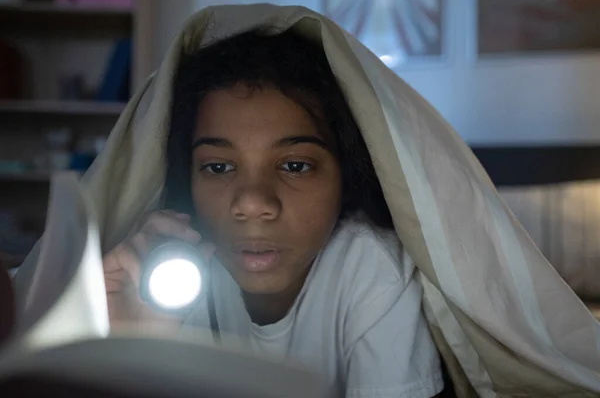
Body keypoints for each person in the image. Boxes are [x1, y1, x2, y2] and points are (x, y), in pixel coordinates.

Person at [102, 29, 444, 398]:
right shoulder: (167, 274)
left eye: (295, 166)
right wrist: (138, 345)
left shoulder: (368, 265)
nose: (252, 202)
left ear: (346, 176)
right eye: (218, 167)